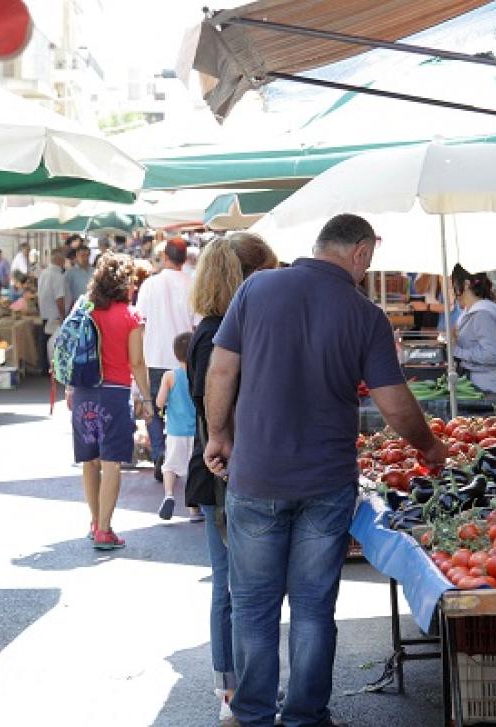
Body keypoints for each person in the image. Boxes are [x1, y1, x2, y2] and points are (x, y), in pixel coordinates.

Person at [203, 214, 447, 727]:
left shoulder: (257, 289)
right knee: (313, 608)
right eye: (371, 256)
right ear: (360, 253)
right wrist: (428, 447)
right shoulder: (365, 315)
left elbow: (221, 368)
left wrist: (218, 435)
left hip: (256, 477)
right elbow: (395, 404)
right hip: (325, 482)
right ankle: (305, 717)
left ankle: (250, 714)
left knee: (252, 607)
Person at [185, 232, 278, 725]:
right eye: (268, 272)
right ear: (247, 278)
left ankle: (238, 687)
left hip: (229, 469)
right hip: (224, 473)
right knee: (231, 585)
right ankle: (231, 689)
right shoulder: (215, 333)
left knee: (238, 585)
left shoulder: (223, 328)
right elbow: (213, 412)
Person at [66, 253, 152, 550]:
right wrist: (148, 398)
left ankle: (94, 522)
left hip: (83, 392)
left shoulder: (85, 309)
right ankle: (105, 529)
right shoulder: (131, 316)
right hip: (114, 395)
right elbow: (137, 362)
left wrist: (69, 387)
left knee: (89, 461)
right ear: (126, 283)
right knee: (111, 463)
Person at [136, 237, 195, 477]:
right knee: (182, 411)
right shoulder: (193, 284)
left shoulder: (150, 285)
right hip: (183, 361)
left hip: (154, 357)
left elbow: (140, 322)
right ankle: (176, 456)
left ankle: (160, 451)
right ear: (185, 259)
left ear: (165, 257)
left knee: (154, 409)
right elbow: (198, 323)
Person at [450, 264, 496, 394]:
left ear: (465, 284)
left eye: (454, 285)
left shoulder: (482, 314)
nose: (453, 291)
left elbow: (492, 355)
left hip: (488, 389)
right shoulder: (470, 311)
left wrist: (455, 351)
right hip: (478, 385)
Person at [155, 332, 197, 521]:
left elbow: (160, 401)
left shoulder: (170, 376)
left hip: (175, 431)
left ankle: (169, 495)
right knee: (195, 469)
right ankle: (194, 509)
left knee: (170, 466)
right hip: (196, 431)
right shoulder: (198, 374)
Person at [37, 250, 67, 376]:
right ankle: (51, 367)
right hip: (54, 314)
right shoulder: (58, 276)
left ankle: (44, 367)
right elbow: (59, 298)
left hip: (44, 312)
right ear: (61, 261)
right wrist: (62, 315)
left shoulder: (43, 273)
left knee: (45, 340)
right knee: (53, 342)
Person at [64, 244, 94, 312]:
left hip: (92, 306)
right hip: (77, 307)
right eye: (82, 256)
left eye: (87, 255)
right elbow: (66, 294)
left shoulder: (94, 271)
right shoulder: (70, 273)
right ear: (77, 256)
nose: (85, 258)